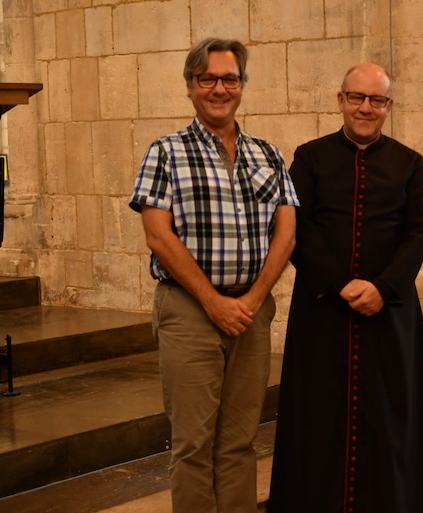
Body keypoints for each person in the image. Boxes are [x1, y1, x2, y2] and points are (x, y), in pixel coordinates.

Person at [128, 37, 299, 513]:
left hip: (251, 312)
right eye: (208, 79)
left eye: (229, 78)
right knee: (193, 446)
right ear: (190, 86)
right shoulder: (165, 152)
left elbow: (286, 233)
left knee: (240, 442)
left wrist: (252, 299)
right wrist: (213, 301)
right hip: (189, 311)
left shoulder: (268, 154)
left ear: (241, 86)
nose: (219, 88)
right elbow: (159, 237)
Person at [268, 63, 423, 513]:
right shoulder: (309, 158)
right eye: (357, 98)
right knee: (318, 419)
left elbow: (417, 232)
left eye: (377, 100)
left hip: (389, 312)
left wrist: (383, 288)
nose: (366, 108)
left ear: (389, 106)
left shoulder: (409, 163)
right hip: (324, 310)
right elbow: (297, 228)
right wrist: (340, 283)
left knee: (390, 421)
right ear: (340, 100)